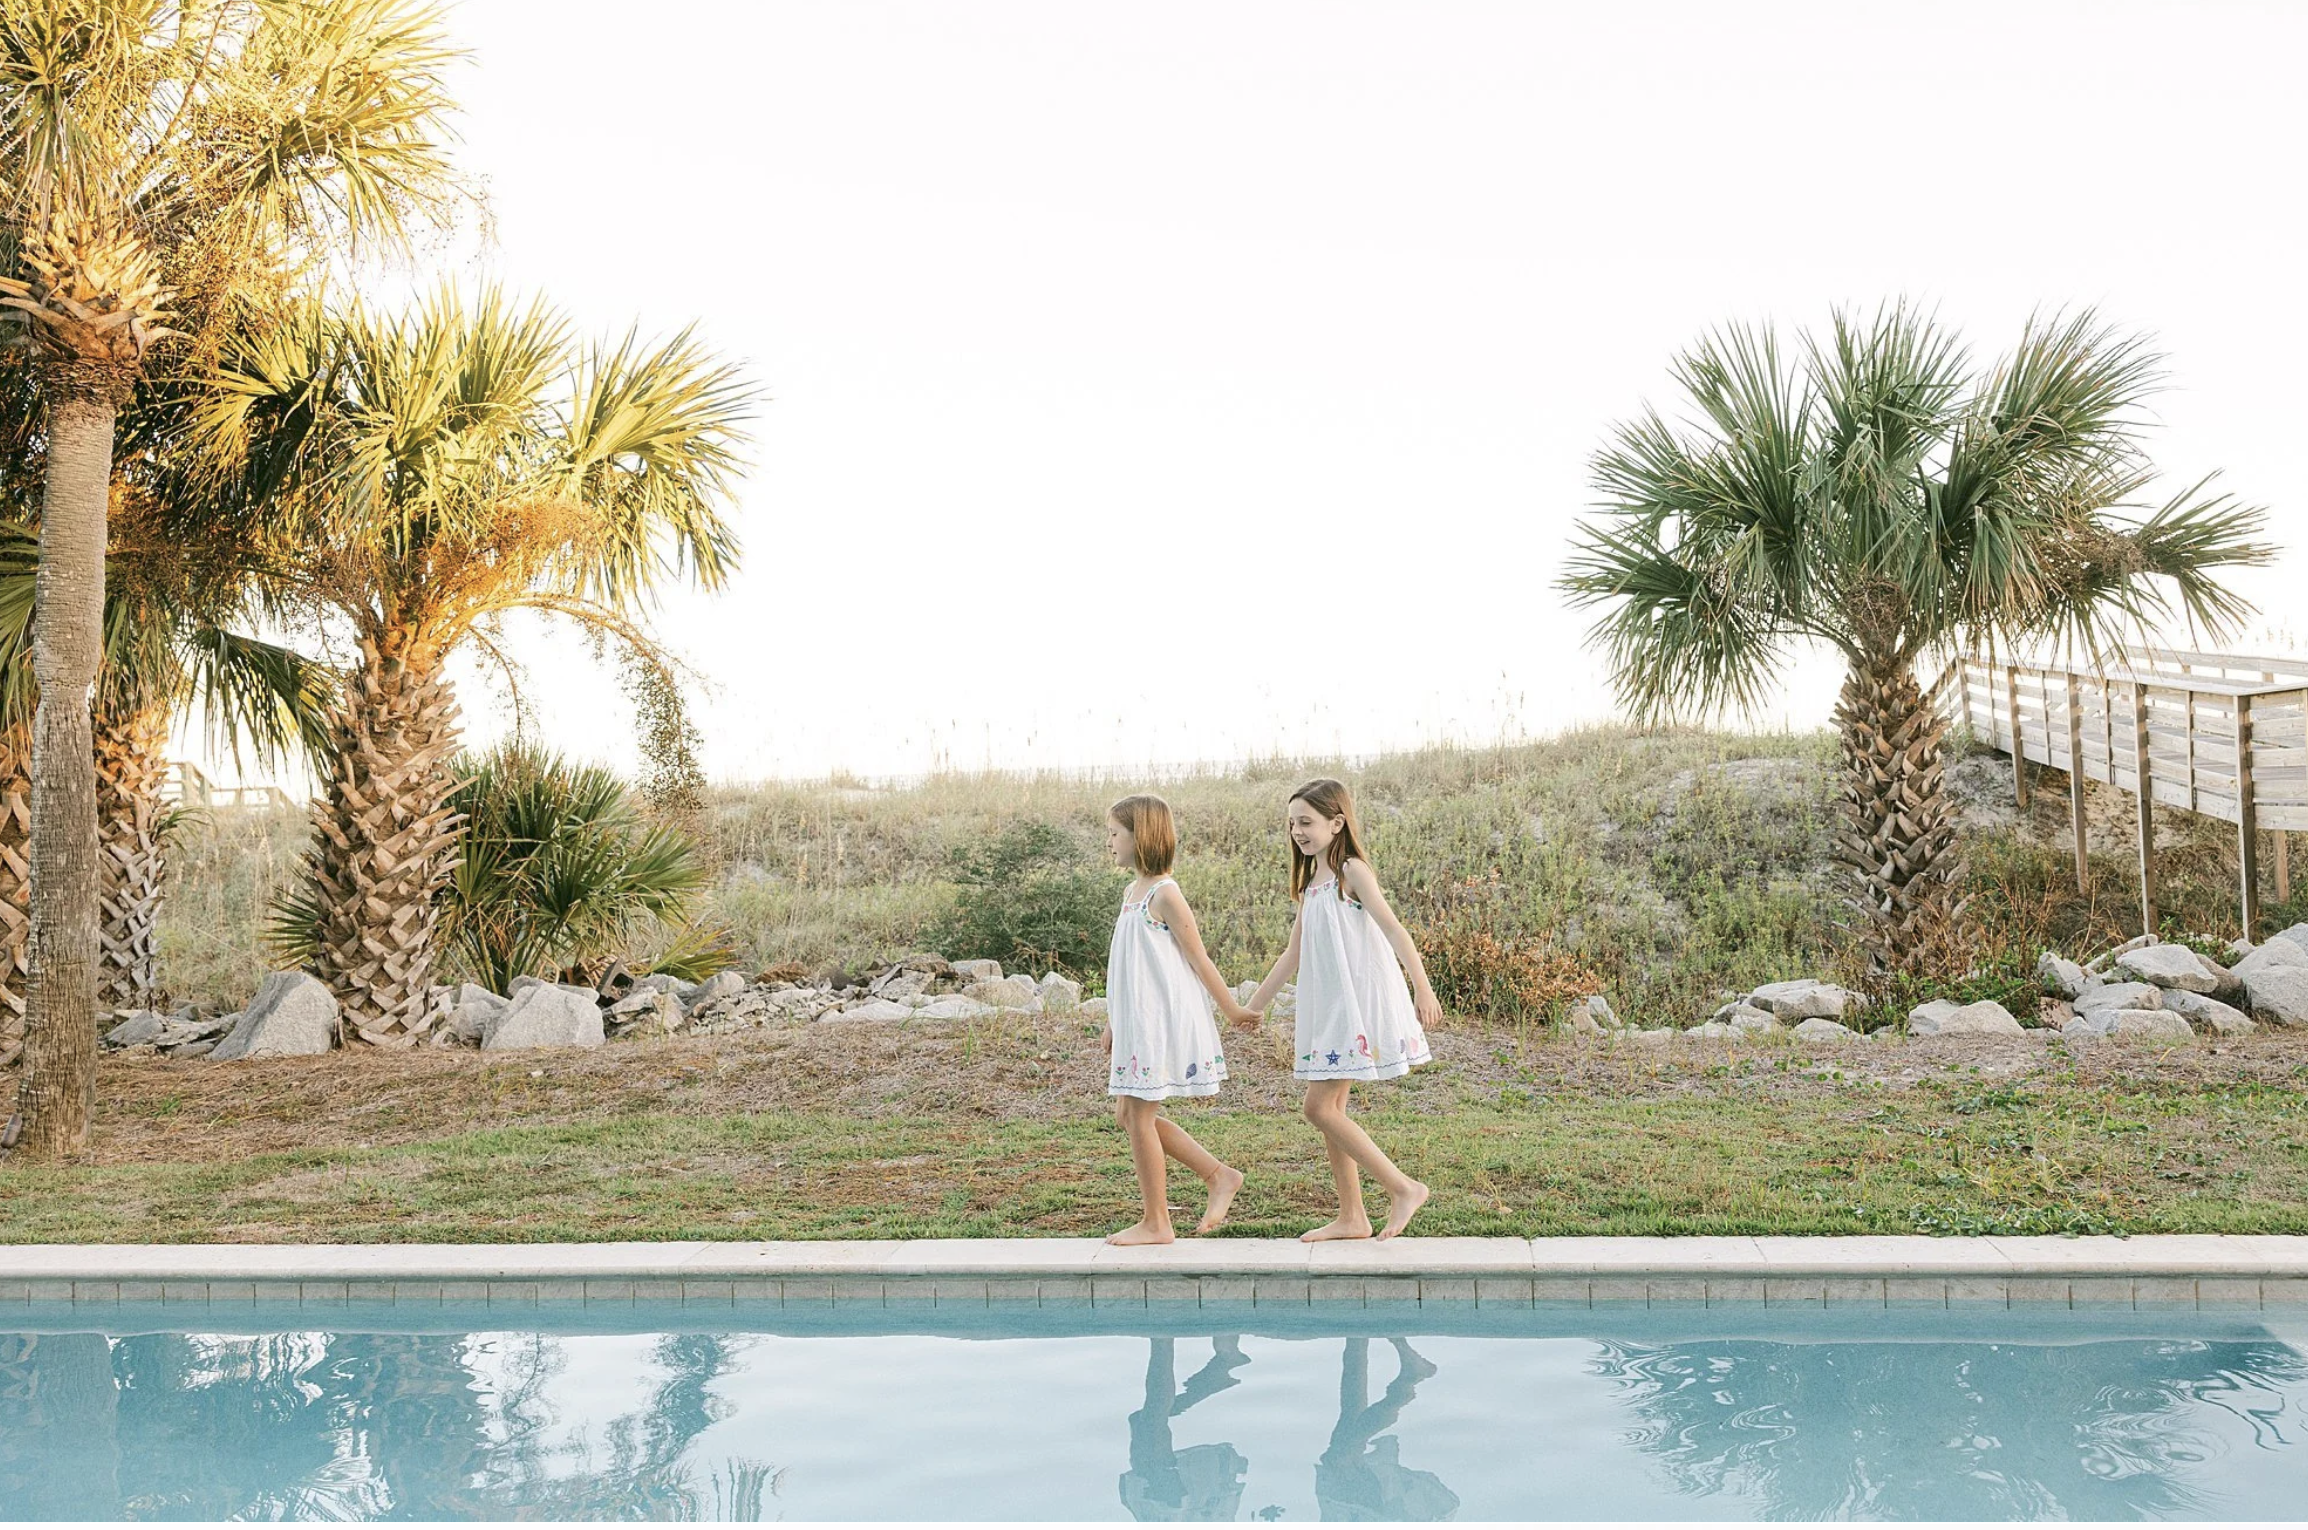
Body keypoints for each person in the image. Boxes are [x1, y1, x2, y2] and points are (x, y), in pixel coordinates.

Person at [1244, 778, 1438, 1242]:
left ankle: (1404, 1187)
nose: (1298, 832)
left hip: (1356, 1006)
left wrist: (1423, 989)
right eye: (1292, 823)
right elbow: (1293, 953)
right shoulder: (1313, 881)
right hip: (1329, 1008)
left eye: (1307, 822)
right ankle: (1352, 1216)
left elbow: (1394, 931)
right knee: (1332, 1107)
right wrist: (1251, 1008)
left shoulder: (1352, 872)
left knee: (1318, 1108)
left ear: (1337, 822)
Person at [1102, 793, 1260, 1246]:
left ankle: (1157, 1222)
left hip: (1160, 1021)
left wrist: (1231, 1009)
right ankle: (1219, 1175)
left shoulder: (1165, 893)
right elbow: (1125, 963)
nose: (1109, 842)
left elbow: (1197, 957)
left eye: (1115, 833)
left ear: (1141, 836)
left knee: (1139, 1116)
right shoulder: (1131, 892)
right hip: (1135, 1021)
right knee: (1129, 1116)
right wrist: (1114, 1020)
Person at [1314, 1338, 1459, 1521]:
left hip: (1353, 1503)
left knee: (1346, 1433)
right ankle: (1406, 1385)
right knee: (1342, 1451)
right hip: (1363, 1505)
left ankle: (1362, 1344)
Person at [1117, 1336, 1253, 1521]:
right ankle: (1164, 1340)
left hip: (1190, 1497)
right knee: (1151, 1434)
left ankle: (1218, 1368)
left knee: (1144, 1426)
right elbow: (1172, 1500)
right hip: (1193, 1495)